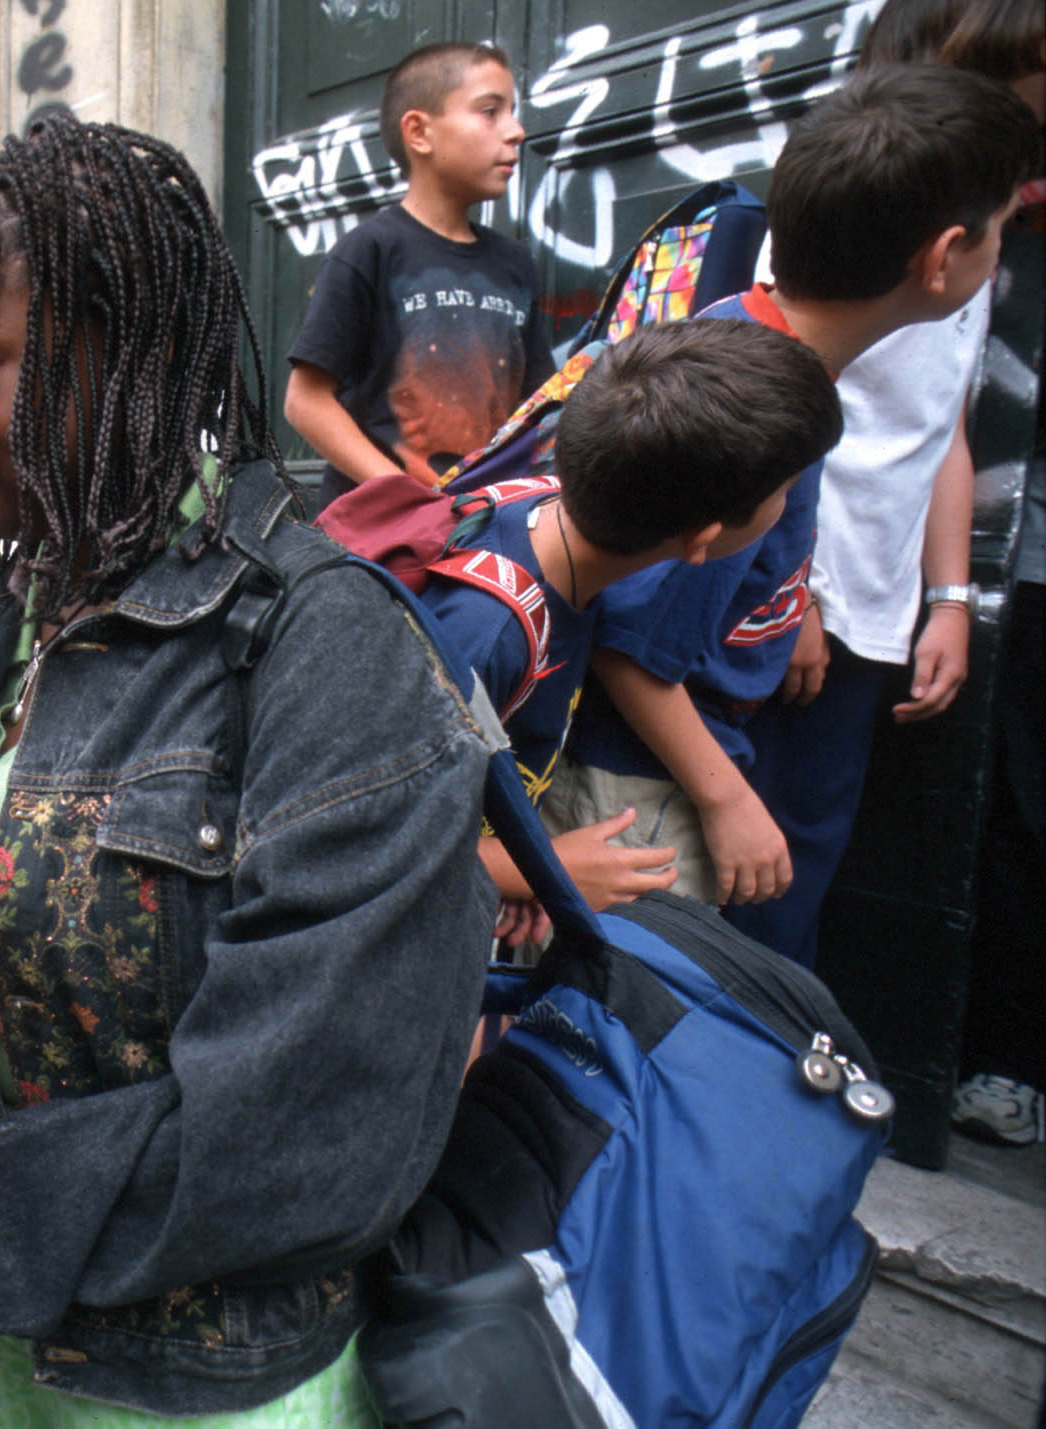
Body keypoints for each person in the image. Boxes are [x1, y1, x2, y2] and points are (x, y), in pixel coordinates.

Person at [0, 115, 494, 1425]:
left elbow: (312, 1142)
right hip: (14, 1368)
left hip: (205, 1397)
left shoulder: (326, 646)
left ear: (120, 349)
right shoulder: (30, 621)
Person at [548, 65, 1038, 911]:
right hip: (639, 797)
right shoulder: (750, 411)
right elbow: (629, 638)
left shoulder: (756, 351)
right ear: (944, 256)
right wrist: (727, 798)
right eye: (998, 229)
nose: (1001, 251)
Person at [722, 0, 1046, 972]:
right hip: (790, 607)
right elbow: (784, 396)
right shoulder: (847, 217)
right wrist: (796, 591)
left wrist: (945, 601)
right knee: (746, 874)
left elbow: (941, 430)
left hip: (873, 615)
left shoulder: (967, 247)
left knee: (804, 863)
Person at [420, 320, 842, 943]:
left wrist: (514, 878)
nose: (790, 508)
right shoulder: (488, 633)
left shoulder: (542, 514)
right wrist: (545, 871)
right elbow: (363, 842)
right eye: (785, 492)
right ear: (704, 540)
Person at [283, 42, 555, 493]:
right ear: (419, 133)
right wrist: (404, 496)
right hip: (380, 544)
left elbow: (538, 404)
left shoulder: (515, 263)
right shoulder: (370, 249)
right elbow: (305, 401)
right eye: (490, 111)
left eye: (513, 111)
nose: (517, 131)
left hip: (481, 529)